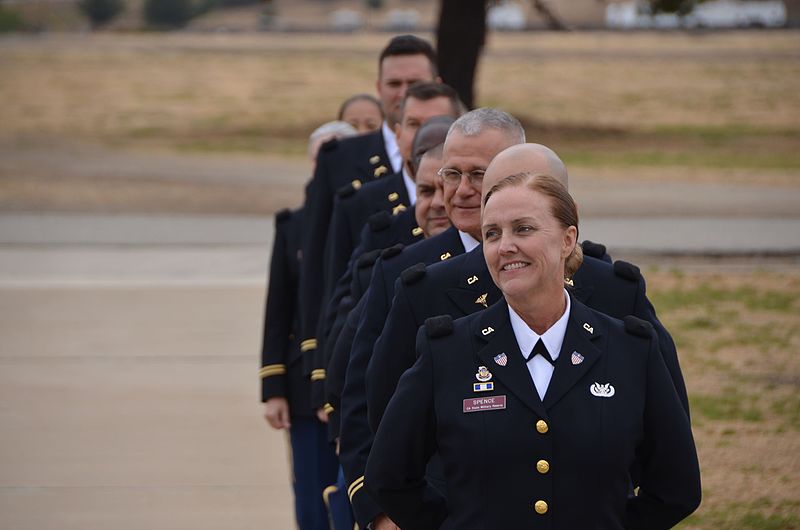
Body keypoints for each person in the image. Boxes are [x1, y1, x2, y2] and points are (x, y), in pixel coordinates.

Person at [366, 173, 701, 529]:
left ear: (567, 239)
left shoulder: (630, 350)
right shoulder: (447, 351)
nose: (505, 245)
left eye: (523, 229)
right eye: (492, 233)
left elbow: (676, 488)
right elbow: (390, 477)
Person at [338, 108, 525, 530]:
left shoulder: (585, 274)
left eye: (478, 175)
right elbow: (364, 407)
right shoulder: (405, 276)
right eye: (450, 174)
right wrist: (381, 513)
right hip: (436, 512)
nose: (458, 191)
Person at [299, 35, 440, 412]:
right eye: (394, 84)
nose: (403, 92)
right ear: (378, 89)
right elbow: (322, 268)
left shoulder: (471, 153)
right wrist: (320, 367)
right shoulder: (340, 159)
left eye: (415, 83)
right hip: (364, 336)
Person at [260, 121, 359, 530]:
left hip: (355, 379)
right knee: (311, 495)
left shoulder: (373, 217)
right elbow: (278, 309)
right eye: (323, 156)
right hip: (303, 384)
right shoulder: (293, 226)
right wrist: (273, 386)